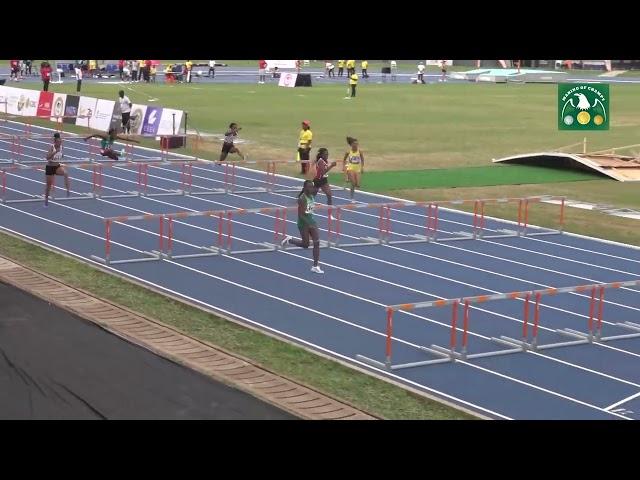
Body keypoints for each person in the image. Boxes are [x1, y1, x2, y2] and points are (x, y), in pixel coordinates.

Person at [281, 179, 324, 274]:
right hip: (303, 223)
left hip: (311, 221)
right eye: (309, 187)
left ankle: (315, 266)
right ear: (304, 188)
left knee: (317, 242)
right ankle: (290, 240)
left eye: (311, 187)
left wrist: (320, 179)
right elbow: (301, 215)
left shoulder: (312, 194)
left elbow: (319, 184)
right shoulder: (302, 199)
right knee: (306, 245)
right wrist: (309, 224)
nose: (311, 188)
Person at [44, 133, 70, 206]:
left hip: (57, 166)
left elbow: (61, 155)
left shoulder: (61, 147)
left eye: (61, 142)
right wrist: (55, 152)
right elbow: (47, 157)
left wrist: (61, 155)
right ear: (55, 142)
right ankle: (46, 200)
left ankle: (67, 190)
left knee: (65, 173)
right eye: (58, 142)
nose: (60, 143)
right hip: (50, 168)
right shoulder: (52, 147)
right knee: (49, 186)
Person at [343, 137, 364, 201]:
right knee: (353, 183)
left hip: (357, 168)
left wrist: (362, 167)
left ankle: (350, 179)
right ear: (351, 145)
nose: (356, 145)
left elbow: (362, 159)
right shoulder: (348, 152)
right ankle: (352, 197)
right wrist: (344, 167)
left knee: (357, 185)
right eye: (355, 144)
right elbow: (344, 160)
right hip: (350, 168)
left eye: (357, 144)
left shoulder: (360, 151)